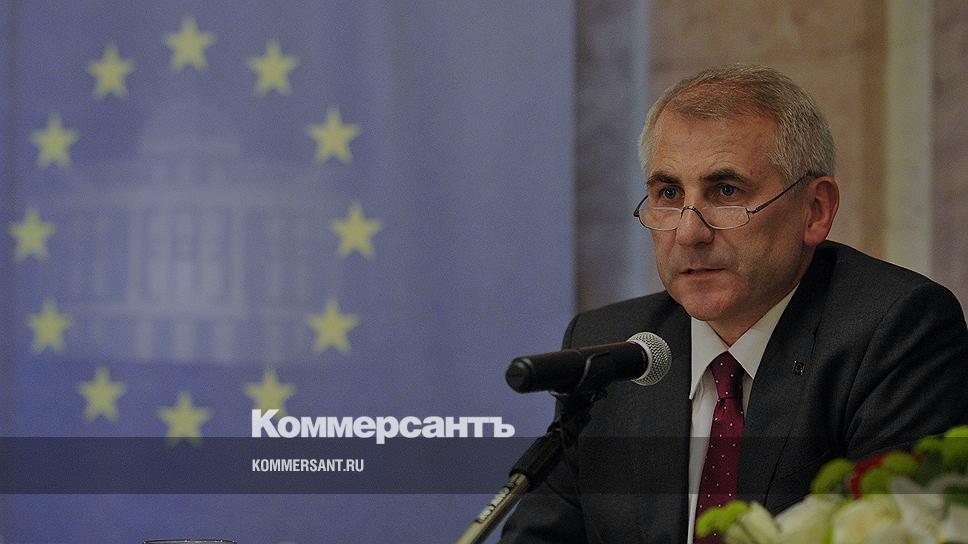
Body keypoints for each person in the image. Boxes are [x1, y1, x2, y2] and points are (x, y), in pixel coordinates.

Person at [499, 64, 968, 543]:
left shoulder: (896, 332)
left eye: (725, 191)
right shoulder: (613, 351)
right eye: (668, 193)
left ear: (815, 211)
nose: (689, 232)